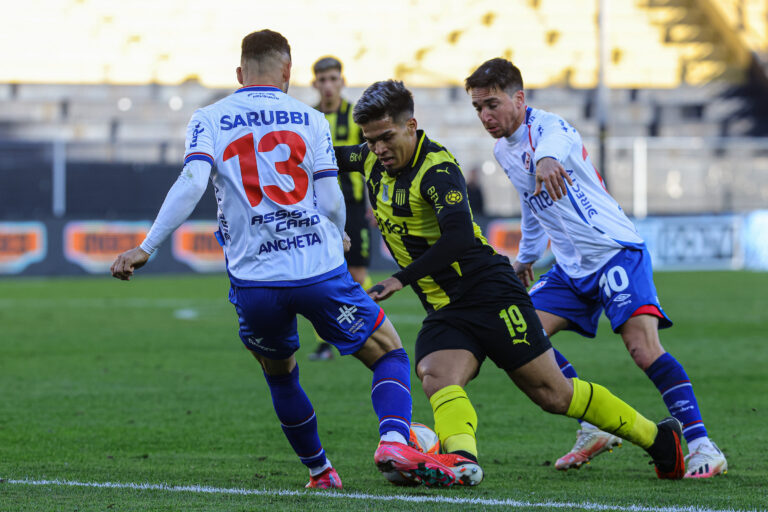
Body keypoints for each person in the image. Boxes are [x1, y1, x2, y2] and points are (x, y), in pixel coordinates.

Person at [109, 29, 463, 489]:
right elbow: (331, 196)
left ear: (240, 73)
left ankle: (320, 472)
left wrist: (146, 247)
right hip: (318, 269)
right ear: (289, 72)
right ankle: (395, 438)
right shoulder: (311, 119)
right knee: (390, 353)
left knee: (281, 376)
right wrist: (336, 236)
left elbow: (192, 183)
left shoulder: (209, 118)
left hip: (255, 283)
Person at [335, 79, 687, 486]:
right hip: (446, 308)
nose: (377, 149)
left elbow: (459, 238)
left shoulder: (438, 170)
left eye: (385, 138)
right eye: (371, 140)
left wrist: (399, 279)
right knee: (436, 373)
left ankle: (661, 441)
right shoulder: (370, 158)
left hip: (490, 293)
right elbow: (321, 157)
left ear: (411, 125)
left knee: (553, 394)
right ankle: (462, 459)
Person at [465, 57, 727, 479]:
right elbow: (530, 204)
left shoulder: (551, 128)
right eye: (478, 108)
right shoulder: (502, 150)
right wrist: (527, 257)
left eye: (492, 104)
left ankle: (701, 444)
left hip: (614, 251)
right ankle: (593, 425)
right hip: (571, 268)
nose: (485, 115)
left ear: (519, 98)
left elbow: (554, 148)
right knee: (518, 334)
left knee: (643, 349)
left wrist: (548, 160)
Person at [308, 56, 372, 362]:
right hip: (320, 206)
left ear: (342, 81)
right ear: (315, 83)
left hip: (355, 205)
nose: (329, 86)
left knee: (357, 272)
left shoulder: (356, 116)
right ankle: (325, 341)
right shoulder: (308, 117)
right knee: (323, 272)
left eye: (334, 78)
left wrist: (374, 203)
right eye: (323, 80)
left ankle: (370, 326)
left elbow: (372, 162)